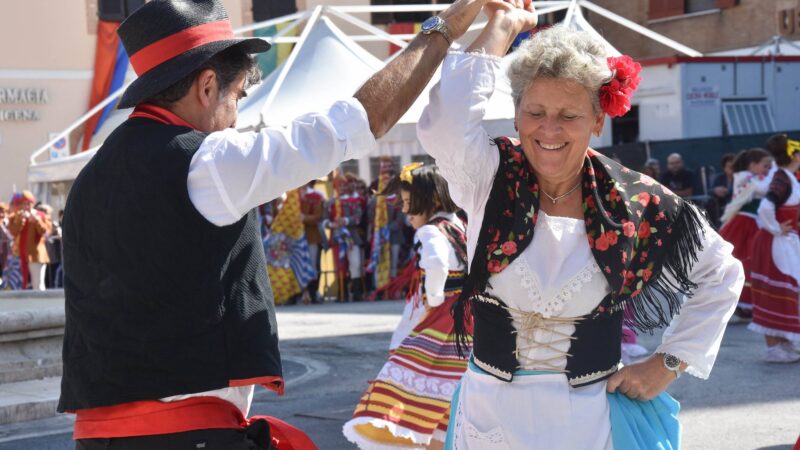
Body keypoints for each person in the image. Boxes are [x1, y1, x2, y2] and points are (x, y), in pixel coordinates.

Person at [58, 0, 494, 448]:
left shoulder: (93, 176)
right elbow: (359, 121)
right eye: (238, 96)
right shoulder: (207, 161)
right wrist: (443, 28)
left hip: (96, 437)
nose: (237, 116)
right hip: (184, 435)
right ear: (207, 87)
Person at [417, 9, 744, 448]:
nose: (549, 129)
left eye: (569, 115)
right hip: (490, 419)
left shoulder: (636, 200)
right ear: (515, 115)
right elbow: (446, 125)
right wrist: (500, 26)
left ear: (597, 121)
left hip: (591, 424)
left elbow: (722, 273)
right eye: (535, 111)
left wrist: (666, 363)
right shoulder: (487, 177)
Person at [344, 163, 471, 450]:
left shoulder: (430, 231)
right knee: (450, 393)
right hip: (466, 317)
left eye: (407, 203)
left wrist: (435, 299)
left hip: (440, 317)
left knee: (410, 387)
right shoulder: (458, 223)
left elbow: (436, 263)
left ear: (428, 200)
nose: (404, 211)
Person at [747, 134, 800, 363]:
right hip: (775, 242)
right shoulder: (782, 178)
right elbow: (766, 207)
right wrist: (777, 228)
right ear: (794, 155)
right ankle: (773, 347)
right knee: (776, 290)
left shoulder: (786, 176)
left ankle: (786, 341)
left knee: (789, 289)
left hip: (784, 240)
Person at [718, 148, 773, 321]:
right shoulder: (744, 177)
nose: (767, 169)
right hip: (744, 225)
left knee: (753, 263)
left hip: (754, 224)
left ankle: (748, 304)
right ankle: (741, 303)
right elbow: (763, 188)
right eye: (765, 165)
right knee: (745, 262)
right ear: (753, 165)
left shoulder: (755, 178)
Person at [7, 191, 51, 291]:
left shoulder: (41, 215)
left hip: (36, 255)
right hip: (20, 255)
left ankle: (40, 306)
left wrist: (37, 220)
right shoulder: (17, 216)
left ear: (32, 203)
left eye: (28, 203)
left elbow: (45, 233)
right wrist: (20, 220)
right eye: (22, 203)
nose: (25, 206)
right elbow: (12, 233)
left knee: (38, 285)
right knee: (21, 285)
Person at [301, 180, 325, 304]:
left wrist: (303, 218)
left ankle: (313, 293)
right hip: (295, 237)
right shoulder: (291, 196)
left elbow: (318, 217)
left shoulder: (317, 196)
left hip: (311, 236)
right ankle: (301, 294)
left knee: (313, 265)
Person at [0, 202, 11, 288]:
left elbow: (9, 236)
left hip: (6, 255)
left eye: (3, 211)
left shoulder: (8, 223)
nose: (1, 214)